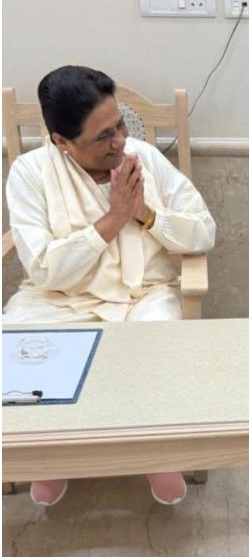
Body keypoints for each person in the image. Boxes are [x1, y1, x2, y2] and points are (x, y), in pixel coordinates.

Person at [4, 65, 217, 506]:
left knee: (161, 350)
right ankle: (51, 455)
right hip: (59, 301)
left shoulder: (145, 158)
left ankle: (157, 454)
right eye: (103, 136)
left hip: (145, 296)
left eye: (119, 125)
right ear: (62, 142)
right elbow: (44, 269)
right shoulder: (29, 173)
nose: (119, 140)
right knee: (22, 356)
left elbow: (204, 232)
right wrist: (114, 219)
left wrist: (147, 215)